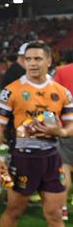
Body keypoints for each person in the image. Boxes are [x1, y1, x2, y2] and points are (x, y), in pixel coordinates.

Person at [0, 41, 73, 227]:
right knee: (14, 211)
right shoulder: (11, 91)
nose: (33, 63)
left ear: (49, 61)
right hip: (23, 160)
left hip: (53, 159)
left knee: (55, 214)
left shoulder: (62, 93)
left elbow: (70, 125)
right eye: (28, 59)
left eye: (37, 59)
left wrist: (60, 131)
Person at [54, 52, 73, 208]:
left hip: (67, 124)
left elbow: (54, 96)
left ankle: (63, 208)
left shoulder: (61, 71)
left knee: (65, 165)